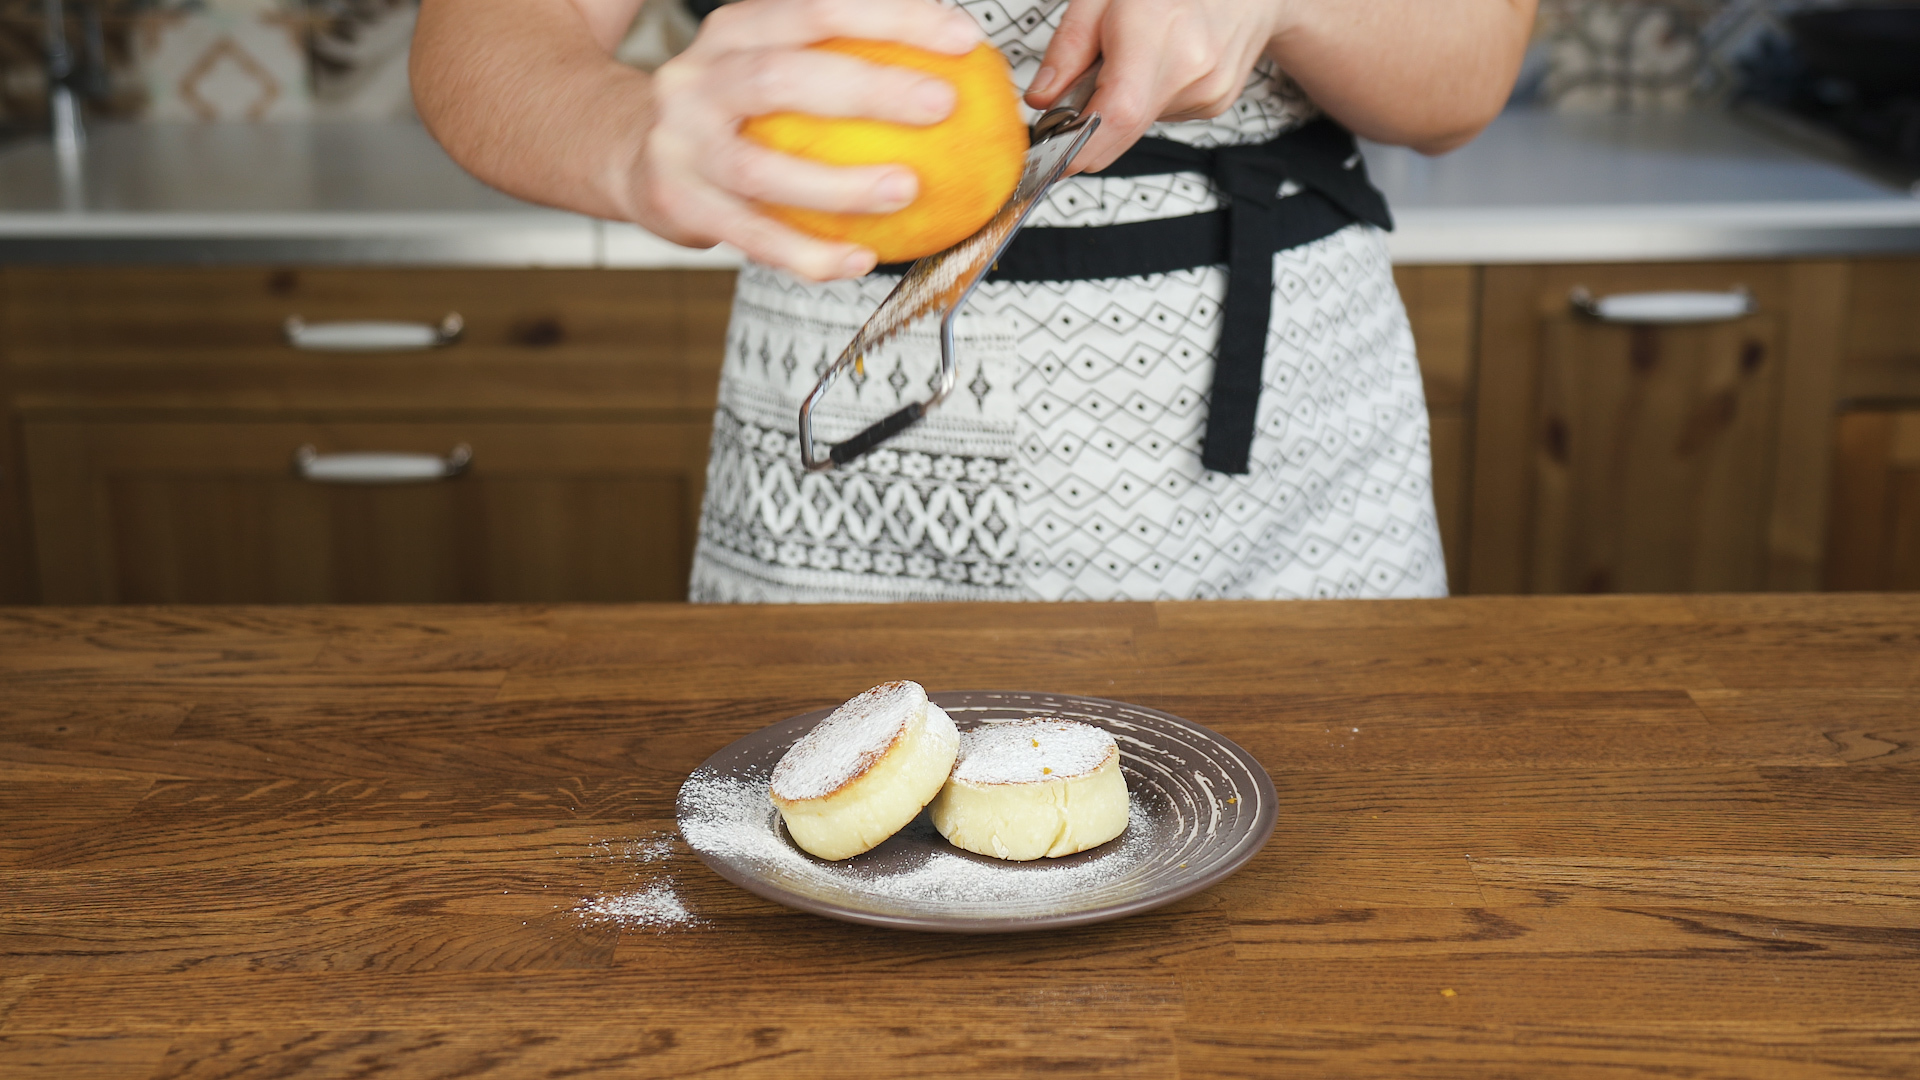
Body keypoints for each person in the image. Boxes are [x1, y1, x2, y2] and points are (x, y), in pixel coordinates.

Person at [412, 0, 1536, 602]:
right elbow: (485, 33)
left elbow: (1466, 73)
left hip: (1291, 464)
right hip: (852, 471)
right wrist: (631, 138)